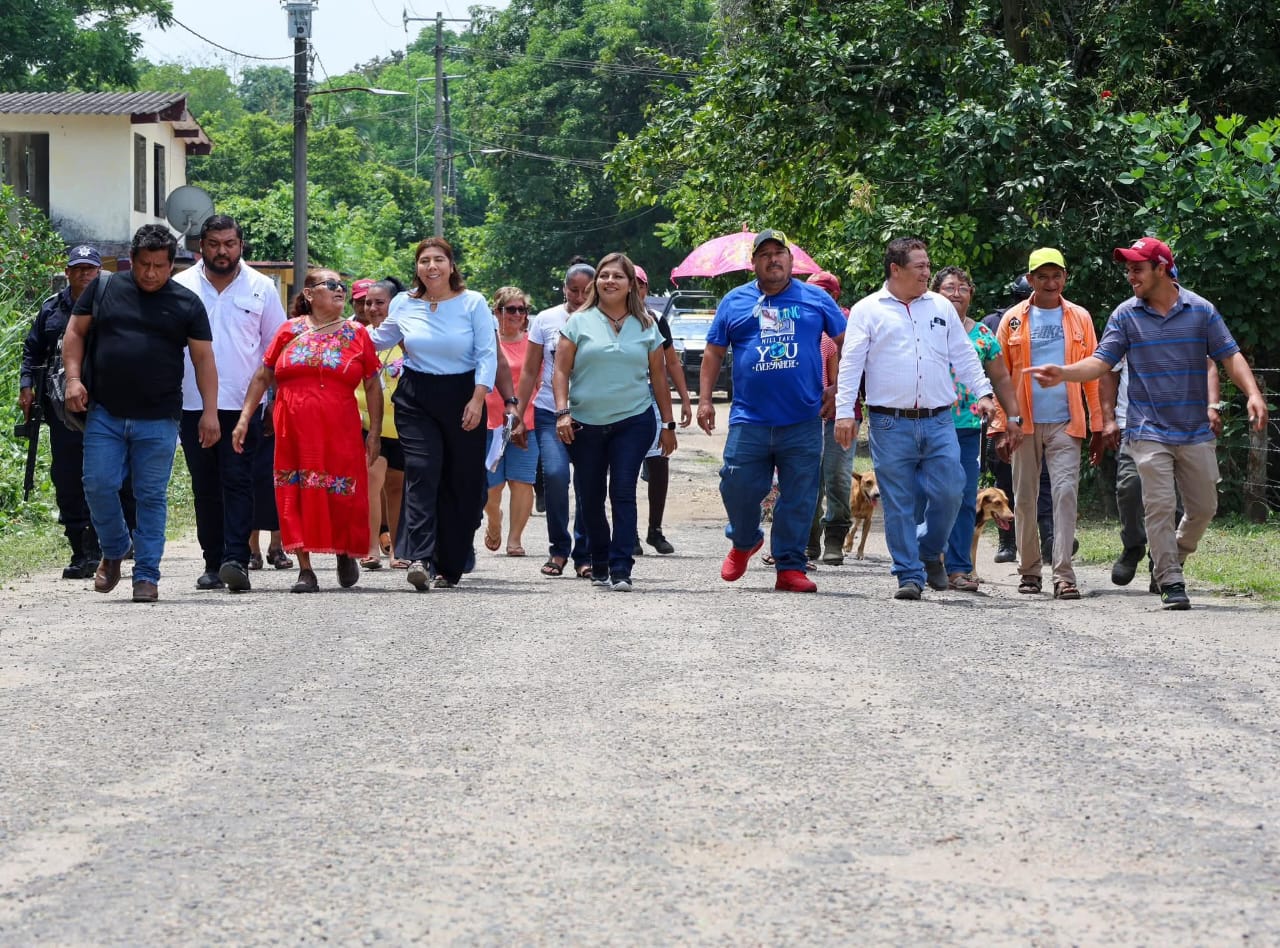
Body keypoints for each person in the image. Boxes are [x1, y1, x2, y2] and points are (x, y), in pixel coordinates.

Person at [1029, 237, 1269, 610]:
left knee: (1204, 506)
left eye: (1137, 268)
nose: (1130, 275)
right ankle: (1171, 578)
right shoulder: (1125, 315)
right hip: (1146, 429)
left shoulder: (1200, 310)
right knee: (1158, 504)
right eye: (1128, 269)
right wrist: (1065, 373)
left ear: (1161, 268)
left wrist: (1253, 393)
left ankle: (1172, 555)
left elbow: (1229, 355)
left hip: (1193, 429)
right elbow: (1102, 363)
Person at [62, 224, 219, 603]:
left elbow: (203, 360)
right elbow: (75, 333)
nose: (151, 273)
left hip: (160, 417)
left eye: (160, 266)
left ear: (172, 266)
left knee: (151, 496)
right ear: (130, 260)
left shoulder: (186, 303)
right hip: (105, 412)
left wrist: (209, 412)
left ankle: (146, 575)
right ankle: (115, 549)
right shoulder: (103, 288)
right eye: (144, 264)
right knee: (97, 484)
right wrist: (72, 379)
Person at [834, 237, 996, 600]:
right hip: (890, 423)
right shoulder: (868, 309)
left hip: (939, 420)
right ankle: (908, 574)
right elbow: (851, 365)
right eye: (920, 266)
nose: (927, 272)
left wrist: (983, 393)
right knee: (899, 502)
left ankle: (926, 549)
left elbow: (964, 354)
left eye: (927, 265)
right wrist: (846, 412)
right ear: (896, 269)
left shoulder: (938, 306)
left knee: (952, 491)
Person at [699, 229, 845, 593]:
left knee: (799, 494)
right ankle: (744, 539)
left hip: (803, 418)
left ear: (791, 261)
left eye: (780, 252)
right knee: (736, 483)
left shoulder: (816, 299)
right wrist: (704, 399)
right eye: (765, 254)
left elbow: (849, 344)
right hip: (750, 419)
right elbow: (714, 353)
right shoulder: (735, 302)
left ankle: (790, 567)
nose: (773, 259)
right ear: (754, 263)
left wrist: (840, 388)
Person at [231, 269, 381, 592]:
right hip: (293, 431)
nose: (340, 290)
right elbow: (262, 376)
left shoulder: (358, 334)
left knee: (341, 493)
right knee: (295, 492)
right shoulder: (288, 330)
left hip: (340, 429)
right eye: (331, 286)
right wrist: (244, 418)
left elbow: (372, 384)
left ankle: (343, 552)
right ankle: (305, 569)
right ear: (310, 294)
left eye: (342, 286)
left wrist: (375, 432)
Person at [368, 237, 497, 590]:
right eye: (424, 260)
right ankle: (421, 557)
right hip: (416, 397)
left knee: (462, 481)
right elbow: (380, 339)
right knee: (422, 472)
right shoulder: (404, 304)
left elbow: (487, 354)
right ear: (417, 268)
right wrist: (338, 332)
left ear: (451, 266)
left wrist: (477, 398)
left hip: (463, 395)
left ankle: (450, 561)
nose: (431, 266)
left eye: (439, 259)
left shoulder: (473, 303)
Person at [174, 214, 289, 593]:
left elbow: (276, 350)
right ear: (201, 247)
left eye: (229, 244)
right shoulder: (180, 287)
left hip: (244, 407)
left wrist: (272, 403)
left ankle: (235, 559)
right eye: (214, 244)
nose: (222, 251)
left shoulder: (262, 288)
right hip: (192, 405)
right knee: (205, 485)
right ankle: (211, 562)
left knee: (238, 481)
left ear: (241, 246)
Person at [555, 253, 677, 591]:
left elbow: (658, 375)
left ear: (630, 285)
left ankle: (622, 566)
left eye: (618, 276)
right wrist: (562, 412)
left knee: (622, 490)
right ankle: (600, 561)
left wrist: (668, 425)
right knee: (590, 496)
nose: (610, 281)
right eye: (604, 275)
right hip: (584, 423)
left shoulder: (647, 324)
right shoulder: (578, 321)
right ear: (596, 283)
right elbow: (561, 370)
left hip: (633, 420)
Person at [988, 248, 1101, 600]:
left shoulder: (1080, 318)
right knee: (1024, 498)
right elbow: (1000, 375)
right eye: (1043, 276)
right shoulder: (1013, 320)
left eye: (1057, 276)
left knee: (1066, 495)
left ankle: (1064, 574)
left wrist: (1098, 424)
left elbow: (1095, 373)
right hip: (1024, 425)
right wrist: (1002, 424)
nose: (1051, 283)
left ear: (1065, 278)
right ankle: (1030, 571)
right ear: (1031, 279)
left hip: (1067, 422)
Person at [19, 245, 134, 578]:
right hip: (61, 410)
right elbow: (32, 350)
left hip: (105, 407)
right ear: (66, 273)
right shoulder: (51, 310)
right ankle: (79, 548)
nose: (85, 274)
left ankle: (104, 546)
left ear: (100, 273)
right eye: (78, 269)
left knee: (106, 477)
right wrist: (26, 385)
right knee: (67, 479)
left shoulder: (114, 307)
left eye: (91, 269)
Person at [930, 266, 1022, 590]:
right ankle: (926, 560)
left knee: (965, 496)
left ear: (971, 295)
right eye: (949, 288)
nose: (956, 294)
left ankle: (958, 568)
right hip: (928, 423)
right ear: (934, 293)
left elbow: (1001, 378)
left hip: (968, 428)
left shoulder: (983, 334)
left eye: (963, 288)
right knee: (933, 495)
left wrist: (1012, 417)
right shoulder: (925, 328)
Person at [1096, 356, 1219, 586]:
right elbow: (1107, 371)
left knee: (1172, 499)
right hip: (1134, 426)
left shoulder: (1188, 322)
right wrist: (1108, 419)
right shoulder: (1127, 322)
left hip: (1180, 428)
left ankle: (1166, 561)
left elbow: (1208, 364)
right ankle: (1133, 545)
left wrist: (1212, 406)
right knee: (1129, 487)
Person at [513, 262, 595, 578]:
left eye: (585, 291)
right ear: (563, 289)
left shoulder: (603, 319)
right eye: (572, 290)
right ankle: (559, 549)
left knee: (589, 483)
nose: (578, 296)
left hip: (592, 413)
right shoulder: (546, 320)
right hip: (550, 411)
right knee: (557, 476)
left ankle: (584, 553)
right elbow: (530, 370)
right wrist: (518, 414)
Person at [633, 264, 692, 556]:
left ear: (646, 289)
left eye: (640, 284)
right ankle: (627, 531)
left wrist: (684, 398)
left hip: (653, 396)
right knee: (624, 466)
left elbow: (671, 363)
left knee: (659, 460)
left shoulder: (655, 320)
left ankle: (655, 529)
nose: (634, 289)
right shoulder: (602, 320)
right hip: (621, 397)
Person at [803, 269, 857, 566]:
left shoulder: (849, 324)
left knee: (837, 476)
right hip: (807, 412)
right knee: (809, 478)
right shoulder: (801, 321)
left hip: (843, 413)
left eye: (823, 293)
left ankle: (835, 536)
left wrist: (840, 396)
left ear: (835, 296)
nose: (816, 298)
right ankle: (808, 539)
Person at [483, 286, 540, 557]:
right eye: (511, 309)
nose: (517, 314)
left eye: (522, 309)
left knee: (521, 481)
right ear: (497, 312)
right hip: (489, 423)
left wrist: (524, 417)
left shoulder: (533, 343)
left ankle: (515, 539)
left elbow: (539, 382)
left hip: (525, 422)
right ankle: (494, 520)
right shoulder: (486, 340)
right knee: (491, 487)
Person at [357, 279, 407, 570]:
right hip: (367, 423)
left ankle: (398, 549)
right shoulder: (360, 337)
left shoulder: (406, 337)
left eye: (380, 303)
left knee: (396, 487)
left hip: (401, 426)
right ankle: (371, 547)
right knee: (371, 484)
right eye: (368, 303)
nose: (373, 309)